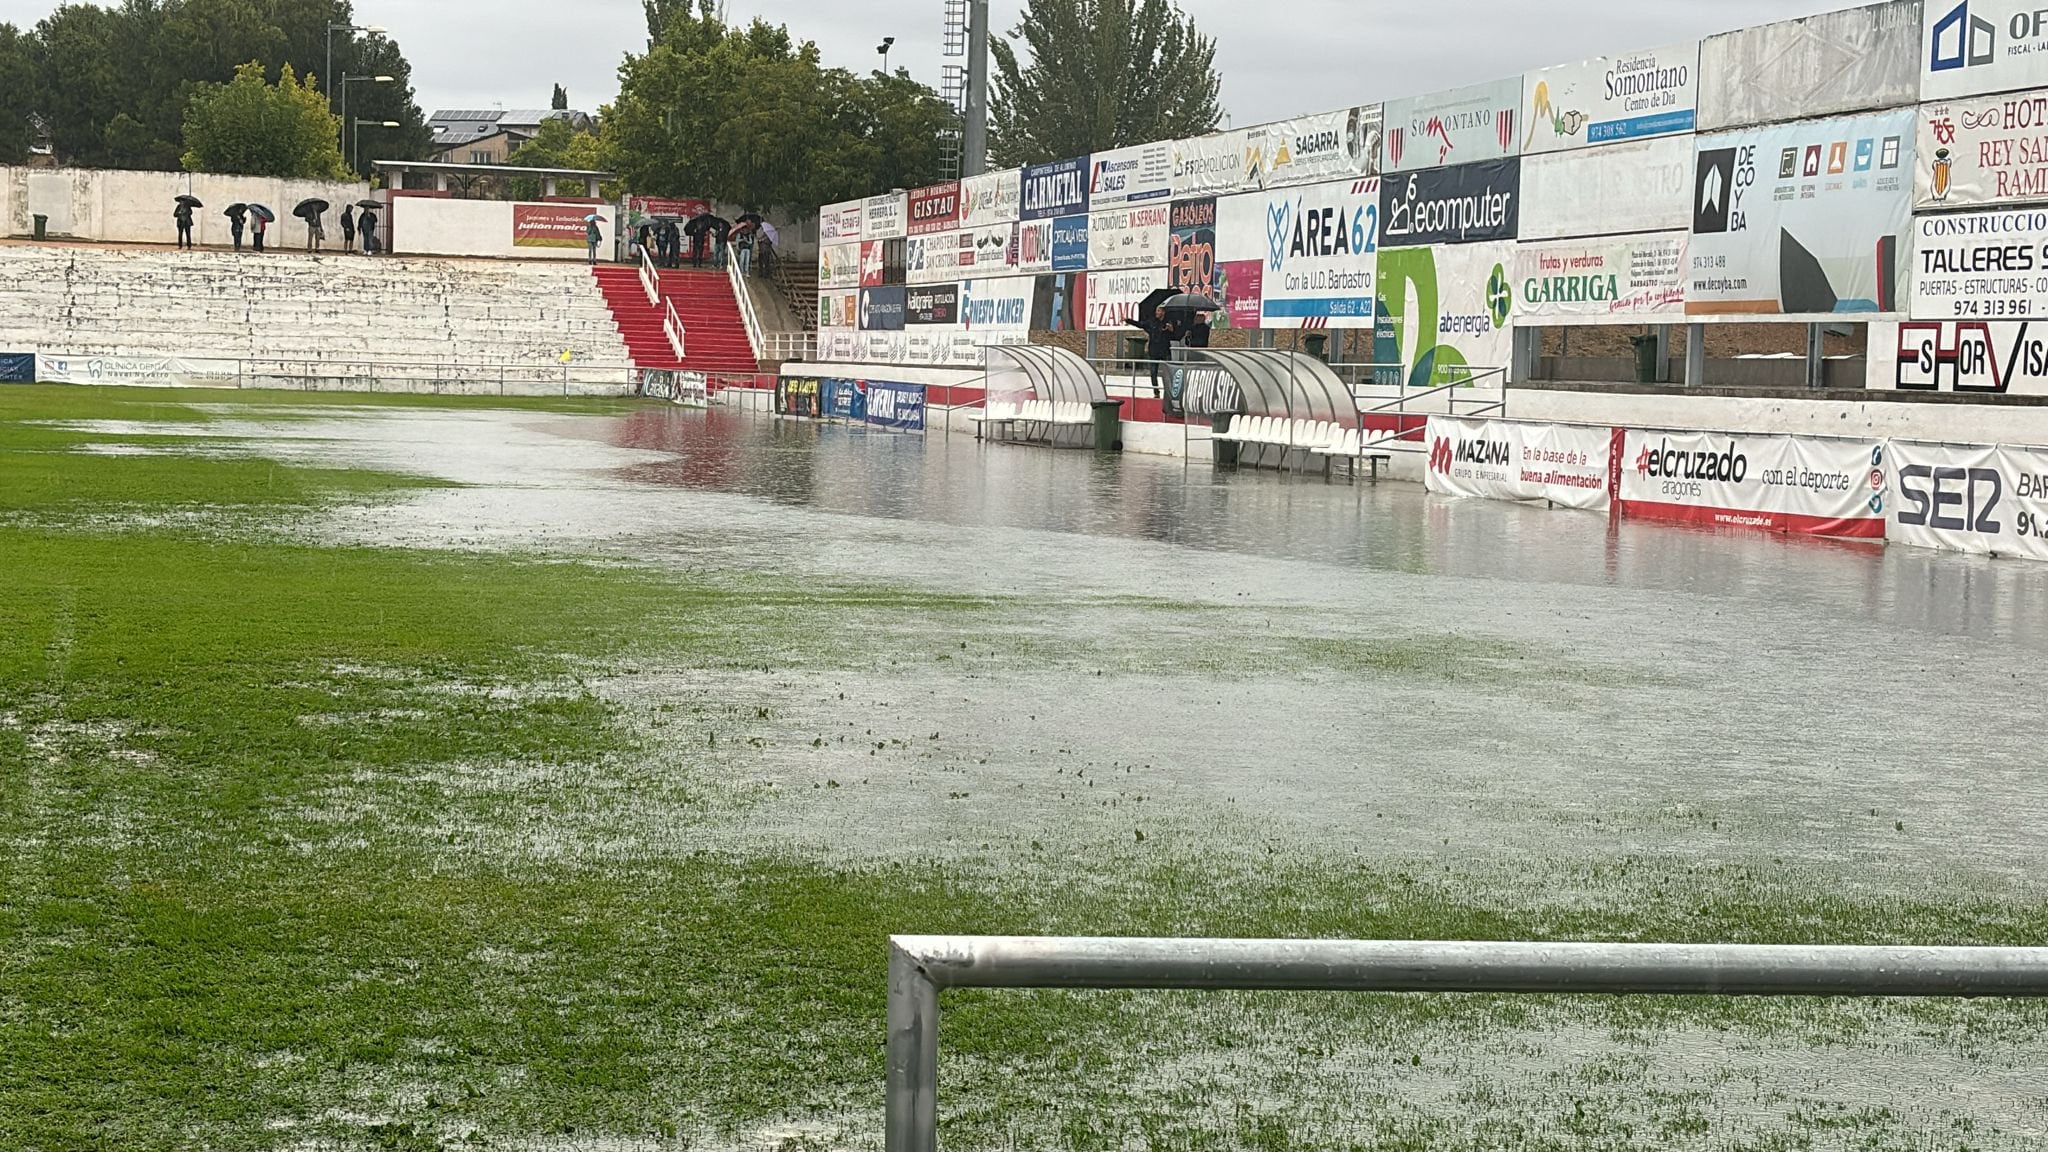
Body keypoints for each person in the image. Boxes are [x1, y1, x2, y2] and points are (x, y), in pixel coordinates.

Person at [1129, 306, 1178, 397]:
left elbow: (1175, 336)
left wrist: (1171, 330)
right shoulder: (1152, 322)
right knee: (1153, 372)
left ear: (1163, 312)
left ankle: (1169, 393)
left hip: (1164, 350)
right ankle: (1156, 392)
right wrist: (1128, 320)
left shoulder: (1169, 322)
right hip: (1154, 350)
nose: (1156, 313)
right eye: (1156, 311)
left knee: (1168, 372)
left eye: (1158, 311)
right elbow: (1141, 324)